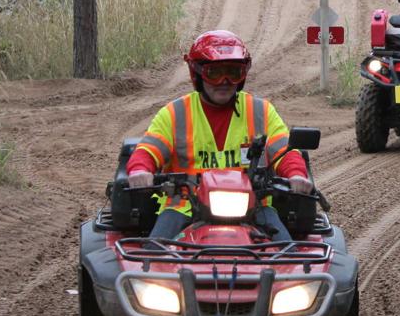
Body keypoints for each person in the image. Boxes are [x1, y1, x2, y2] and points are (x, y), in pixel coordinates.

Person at [126, 30, 313, 243]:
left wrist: (297, 174)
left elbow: (284, 150)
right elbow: (148, 150)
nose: (225, 81)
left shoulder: (261, 111)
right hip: (184, 207)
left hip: (253, 208)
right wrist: (141, 170)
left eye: (234, 72)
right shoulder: (175, 113)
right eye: (214, 73)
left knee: (288, 263)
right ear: (196, 74)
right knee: (152, 262)